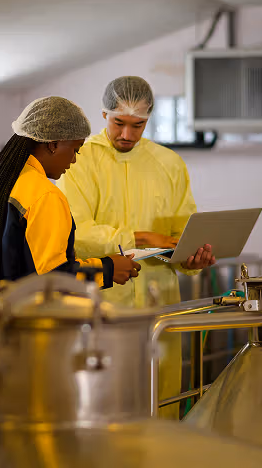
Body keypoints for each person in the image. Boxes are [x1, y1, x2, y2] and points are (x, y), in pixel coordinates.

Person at [56, 76, 216, 418]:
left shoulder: (169, 163)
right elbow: (75, 232)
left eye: (138, 125)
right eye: (119, 123)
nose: (127, 135)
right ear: (103, 115)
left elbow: (181, 232)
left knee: (161, 402)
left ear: (149, 119)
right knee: (102, 408)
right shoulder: (80, 160)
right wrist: (139, 237)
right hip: (100, 307)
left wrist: (193, 257)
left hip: (162, 312)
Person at [0, 96, 141, 304]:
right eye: (75, 149)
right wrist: (109, 268)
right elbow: (52, 279)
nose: (74, 159)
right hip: (31, 324)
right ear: (53, 144)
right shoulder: (45, 195)